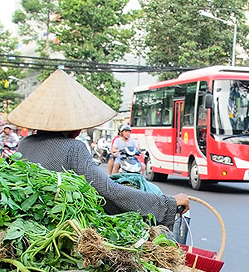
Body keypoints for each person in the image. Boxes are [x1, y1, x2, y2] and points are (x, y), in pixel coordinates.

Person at [10, 69, 186, 227]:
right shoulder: (74, 148)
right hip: (58, 226)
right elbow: (109, 191)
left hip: (26, 222)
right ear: (76, 128)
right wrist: (169, 203)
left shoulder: (25, 143)